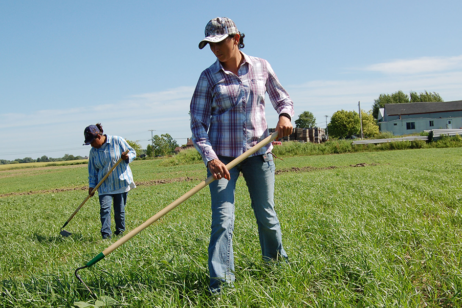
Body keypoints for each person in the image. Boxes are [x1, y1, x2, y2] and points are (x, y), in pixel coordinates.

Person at [190, 17, 294, 293]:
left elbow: (283, 99)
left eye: (219, 43)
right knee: (222, 221)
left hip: (259, 154)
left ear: (235, 38)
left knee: (266, 215)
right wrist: (211, 158)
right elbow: (198, 124)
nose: (215, 50)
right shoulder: (208, 77)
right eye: (210, 45)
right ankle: (221, 286)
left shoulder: (261, 66)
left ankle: (276, 269)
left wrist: (284, 116)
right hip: (222, 161)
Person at [83, 123, 136, 239]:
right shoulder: (93, 152)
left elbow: (132, 152)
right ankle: (106, 236)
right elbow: (92, 171)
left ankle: (120, 232)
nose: (91, 145)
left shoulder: (117, 140)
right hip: (104, 185)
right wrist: (92, 186)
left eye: (92, 142)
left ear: (98, 136)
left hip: (120, 182)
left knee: (119, 210)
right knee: (104, 209)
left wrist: (127, 157)